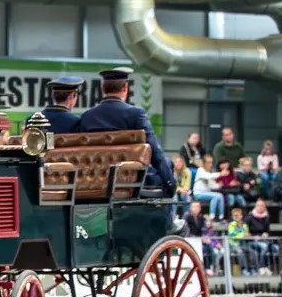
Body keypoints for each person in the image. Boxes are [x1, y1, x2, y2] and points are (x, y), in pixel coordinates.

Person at [79, 67, 175, 196]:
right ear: (125, 88)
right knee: (167, 163)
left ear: (103, 88)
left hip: (94, 180)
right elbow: (155, 152)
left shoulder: (87, 117)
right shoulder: (136, 114)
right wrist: (170, 183)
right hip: (130, 181)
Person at [192, 155, 225, 221]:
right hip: (198, 194)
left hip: (207, 193)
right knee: (216, 196)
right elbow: (208, 177)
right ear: (204, 163)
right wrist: (220, 174)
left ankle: (221, 217)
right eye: (208, 162)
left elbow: (211, 185)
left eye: (211, 162)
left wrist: (219, 185)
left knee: (220, 195)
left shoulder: (209, 172)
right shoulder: (200, 170)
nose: (210, 164)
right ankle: (212, 216)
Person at [246, 197, 273, 275]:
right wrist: (252, 236)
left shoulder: (266, 217)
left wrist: (266, 233)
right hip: (252, 241)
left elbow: (268, 231)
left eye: (262, 206)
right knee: (264, 246)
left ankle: (266, 266)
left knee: (275, 248)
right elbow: (244, 231)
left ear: (265, 207)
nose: (260, 207)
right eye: (259, 206)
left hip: (263, 239)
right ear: (256, 206)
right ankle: (261, 267)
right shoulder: (249, 217)